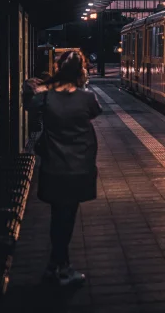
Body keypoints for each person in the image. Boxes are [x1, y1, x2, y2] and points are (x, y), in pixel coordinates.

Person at [30, 50, 102, 286]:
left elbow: (28, 101)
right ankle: (62, 267)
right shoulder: (87, 98)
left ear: (59, 69)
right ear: (82, 71)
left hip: (53, 166)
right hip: (79, 166)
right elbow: (95, 113)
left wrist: (34, 84)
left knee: (57, 217)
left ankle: (56, 265)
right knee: (66, 218)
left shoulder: (45, 97)